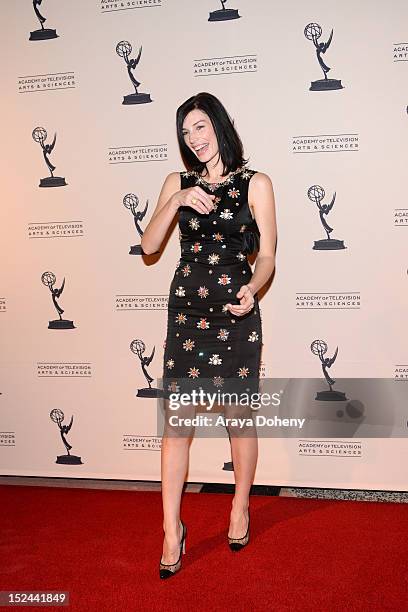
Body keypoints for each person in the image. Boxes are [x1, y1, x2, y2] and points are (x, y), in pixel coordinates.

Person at [141, 92, 277, 579]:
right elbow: (149, 245)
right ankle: (171, 528)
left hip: (236, 316)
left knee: (239, 420)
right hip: (188, 314)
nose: (194, 140)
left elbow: (267, 257)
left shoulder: (255, 183)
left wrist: (254, 288)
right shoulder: (175, 183)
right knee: (176, 427)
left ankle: (240, 507)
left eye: (200, 127)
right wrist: (176, 200)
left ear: (219, 125)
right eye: (185, 133)